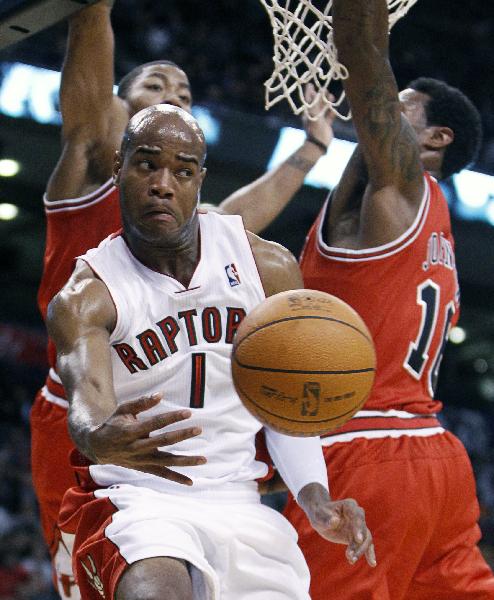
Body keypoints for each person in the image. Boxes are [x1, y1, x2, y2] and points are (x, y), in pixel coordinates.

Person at [29, 1, 333, 595]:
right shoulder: (94, 158)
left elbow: (236, 228)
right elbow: (91, 106)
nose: (172, 94)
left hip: (210, 442)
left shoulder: (212, 230)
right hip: (89, 403)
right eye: (154, 84)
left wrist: (311, 149)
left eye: (185, 91)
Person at [47, 104, 375, 600]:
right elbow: (87, 396)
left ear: (201, 179)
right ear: (119, 168)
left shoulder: (267, 267)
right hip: (135, 500)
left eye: (181, 171)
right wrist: (96, 434)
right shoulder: (88, 295)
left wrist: (314, 497)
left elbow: (287, 408)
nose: (163, 184)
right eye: (146, 164)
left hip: (239, 504)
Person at [281, 1, 494, 598]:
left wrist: (361, 22)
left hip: (365, 448)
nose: (377, 108)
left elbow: (362, 56)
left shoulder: (400, 188)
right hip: (435, 455)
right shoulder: (434, 222)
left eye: (402, 108)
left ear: (435, 138)